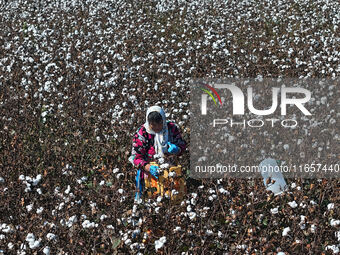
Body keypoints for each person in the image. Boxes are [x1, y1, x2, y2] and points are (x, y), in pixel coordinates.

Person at [128, 105, 187, 201]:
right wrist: (148, 167)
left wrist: (178, 149)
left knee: (174, 198)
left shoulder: (171, 128)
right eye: (153, 125)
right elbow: (136, 157)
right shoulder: (142, 133)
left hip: (171, 170)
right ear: (148, 123)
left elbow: (182, 145)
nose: (157, 127)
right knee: (151, 198)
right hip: (149, 174)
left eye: (159, 124)